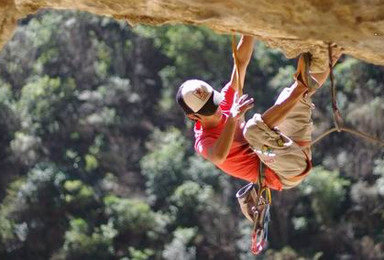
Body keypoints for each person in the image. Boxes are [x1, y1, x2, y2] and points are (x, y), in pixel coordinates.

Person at [176, 35, 341, 190]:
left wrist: (249, 30)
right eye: (209, 110)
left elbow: (240, 63)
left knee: (291, 96)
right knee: (252, 128)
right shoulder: (204, 141)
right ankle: (302, 85)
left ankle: (331, 53)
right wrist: (233, 118)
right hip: (284, 173)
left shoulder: (226, 101)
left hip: (288, 146)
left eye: (215, 102)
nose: (217, 109)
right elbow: (218, 157)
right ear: (193, 116)